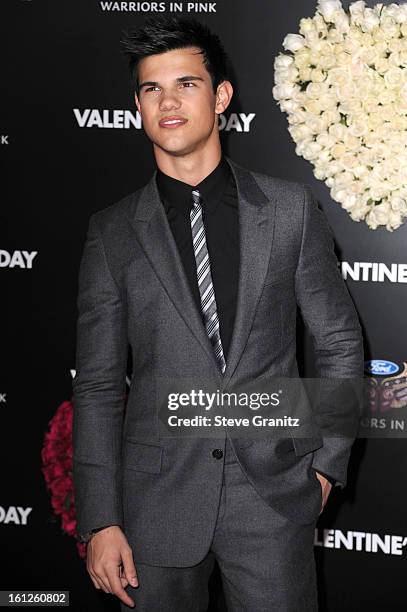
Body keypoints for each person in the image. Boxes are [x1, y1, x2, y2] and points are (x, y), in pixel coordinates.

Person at [72, 15, 364, 611]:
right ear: (137, 106)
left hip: (273, 496)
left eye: (186, 84)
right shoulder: (112, 234)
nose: (169, 102)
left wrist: (328, 463)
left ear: (221, 95)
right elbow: (99, 385)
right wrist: (99, 519)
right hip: (154, 501)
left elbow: (338, 340)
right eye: (152, 89)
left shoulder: (289, 211)